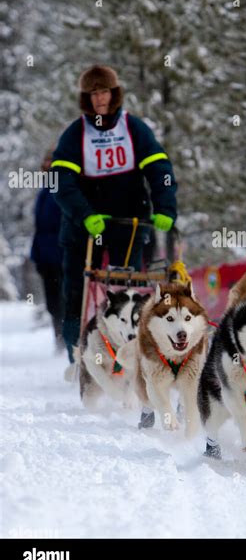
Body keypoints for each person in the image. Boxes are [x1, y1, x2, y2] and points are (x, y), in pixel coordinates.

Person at [52, 64, 177, 367]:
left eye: (104, 91)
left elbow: (160, 170)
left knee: (127, 289)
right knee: (77, 288)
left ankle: (127, 357)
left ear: (115, 93)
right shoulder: (75, 134)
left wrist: (165, 209)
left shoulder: (133, 128)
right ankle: (78, 355)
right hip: (85, 225)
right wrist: (84, 214)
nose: (100, 99)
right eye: (93, 93)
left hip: (129, 222)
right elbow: (60, 182)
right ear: (86, 98)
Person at [31, 151, 64, 351]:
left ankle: (68, 343)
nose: (47, 164)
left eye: (51, 160)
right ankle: (59, 341)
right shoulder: (45, 189)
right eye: (46, 160)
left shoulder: (64, 188)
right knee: (53, 303)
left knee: (65, 301)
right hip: (45, 255)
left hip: (62, 253)